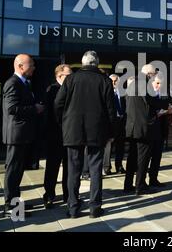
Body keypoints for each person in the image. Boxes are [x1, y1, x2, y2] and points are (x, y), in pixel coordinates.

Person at [54, 51, 117, 219]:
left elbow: (58, 104)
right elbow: (111, 111)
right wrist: (111, 132)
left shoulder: (70, 79)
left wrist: (64, 123)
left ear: (83, 63)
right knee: (96, 169)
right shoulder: (104, 80)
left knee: (73, 170)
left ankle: (73, 208)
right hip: (97, 131)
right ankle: (95, 207)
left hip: (72, 130)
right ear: (97, 63)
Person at [2, 54, 44, 216]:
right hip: (16, 135)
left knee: (18, 171)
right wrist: (35, 109)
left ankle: (16, 203)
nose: (34, 68)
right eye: (31, 65)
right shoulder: (13, 83)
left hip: (22, 134)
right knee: (13, 171)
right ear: (20, 66)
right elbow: (11, 109)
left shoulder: (24, 83)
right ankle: (10, 207)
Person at [124, 64, 172, 195]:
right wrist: (166, 104)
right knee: (143, 158)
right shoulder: (143, 83)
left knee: (132, 157)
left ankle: (128, 184)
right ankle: (140, 186)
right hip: (144, 127)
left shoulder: (132, 83)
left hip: (133, 126)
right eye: (152, 75)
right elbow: (151, 101)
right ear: (149, 74)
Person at [42, 64, 72, 208]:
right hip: (55, 135)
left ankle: (68, 195)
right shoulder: (52, 89)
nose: (71, 78)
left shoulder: (72, 90)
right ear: (59, 76)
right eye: (68, 75)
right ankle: (49, 195)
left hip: (70, 135)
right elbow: (49, 114)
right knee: (52, 167)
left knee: (69, 167)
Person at [147, 72, 172, 188]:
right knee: (147, 156)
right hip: (149, 130)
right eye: (157, 83)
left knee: (157, 156)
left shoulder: (164, 94)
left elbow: (167, 105)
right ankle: (142, 180)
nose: (159, 86)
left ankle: (153, 179)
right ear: (152, 82)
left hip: (161, 129)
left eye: (161, 84)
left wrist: (168, 111)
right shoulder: (147, 94)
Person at [103, 74, 127, 175]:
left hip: (121, 121)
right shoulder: (107, 93)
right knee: (108, 146)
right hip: (111, 122)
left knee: (120, 145)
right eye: (111, 81)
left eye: (115, 81)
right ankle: (106, 167)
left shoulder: (123, 93)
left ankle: (119, 166)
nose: (113, 83)